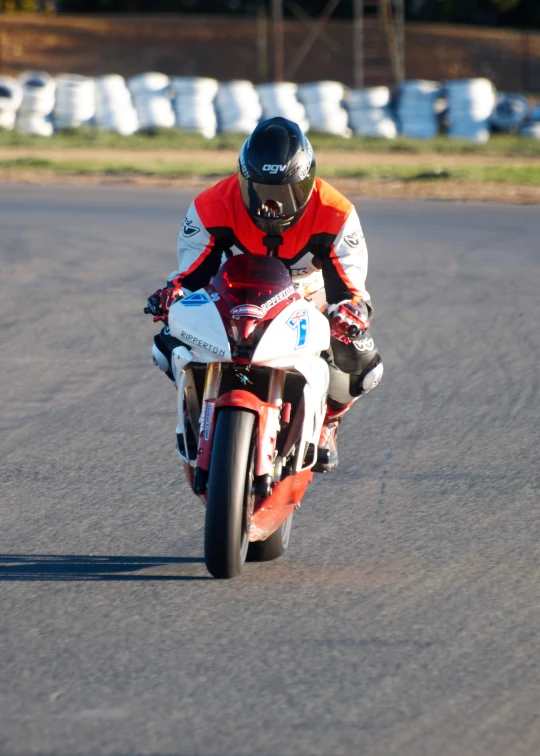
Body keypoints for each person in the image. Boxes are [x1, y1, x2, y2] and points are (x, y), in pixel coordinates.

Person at [145, 116, 383, 472]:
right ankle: (198, 413)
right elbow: (190, 273)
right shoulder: (212, 205)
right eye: (260, 191)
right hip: (231, 296)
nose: (272, 206)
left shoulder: (336, 212)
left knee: (362, 365)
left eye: (286, 193)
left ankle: (328, 420)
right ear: (243, 181)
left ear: (307, 183)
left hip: (305, 298)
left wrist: (351, 310)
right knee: (166, 347)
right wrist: (172, 294)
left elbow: (350, 285)